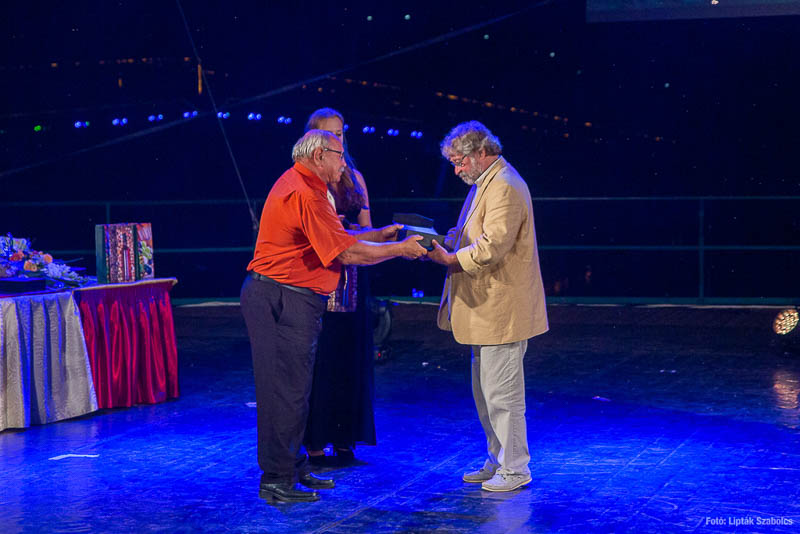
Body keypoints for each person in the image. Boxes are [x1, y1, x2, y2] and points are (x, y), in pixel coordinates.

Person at [240, 129, 426, 503]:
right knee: (283, 392)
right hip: (282, 298)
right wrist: (399, 249)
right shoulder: (305, 192)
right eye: (340, 155)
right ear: (319, 155)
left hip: (291, 297)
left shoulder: (309, 185)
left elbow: (337, 236)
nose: (345, 163)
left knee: (295, 390)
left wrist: (380, 235)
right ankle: (276, 479)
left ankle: (292, 465)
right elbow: (345, 253)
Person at [427, 121, 549, 493]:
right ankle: (498, 460)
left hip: (501, 310)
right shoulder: (486, 183)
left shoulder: (505, 185)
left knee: (503, 394)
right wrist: (440, 241)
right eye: (453, 162)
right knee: (486, 393)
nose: (456, 170)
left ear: (482, 152)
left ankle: (515, 468)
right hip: (485, 309)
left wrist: (451, 258)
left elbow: (493, 245)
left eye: (460, 161)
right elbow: (472, 234)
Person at [302, 108, 375, 467]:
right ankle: (316, 441)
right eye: (329, 134)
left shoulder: (354, 177)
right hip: (320, 280)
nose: (337, 140)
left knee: (350, 357)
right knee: (322, 361)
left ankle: (346, 439)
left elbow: (368, 229)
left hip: (353, 279)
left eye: (340, 134)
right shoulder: (308, 183)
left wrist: (359, 233)